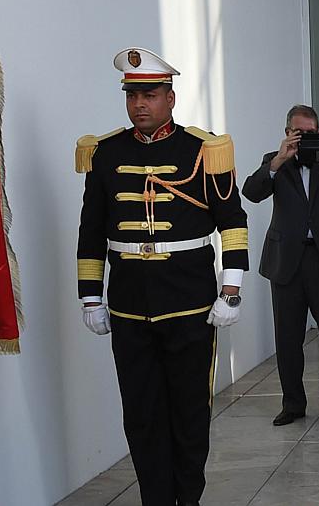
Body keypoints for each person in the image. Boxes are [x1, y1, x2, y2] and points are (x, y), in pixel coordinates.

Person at [75, 47, 248, 506]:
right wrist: (91, 296)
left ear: (170, 97)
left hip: (191, 303)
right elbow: (91, 231)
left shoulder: (203, 149)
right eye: (132, 96)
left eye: (149, 95)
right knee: (142, 414)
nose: (139, 105)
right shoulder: (105, 152)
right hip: (129, 305)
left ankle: (187, 499)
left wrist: (231, 290)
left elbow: (233, 220)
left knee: (190, 414)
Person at [243, 105, 319, 427]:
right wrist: (278, 161)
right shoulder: (275, 159)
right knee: (287, 338)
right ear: (287, 132)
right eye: (299, 133)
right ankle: (293, 404)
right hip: (287, 261)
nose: (305, 139)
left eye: (311, 133)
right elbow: (252, 192)